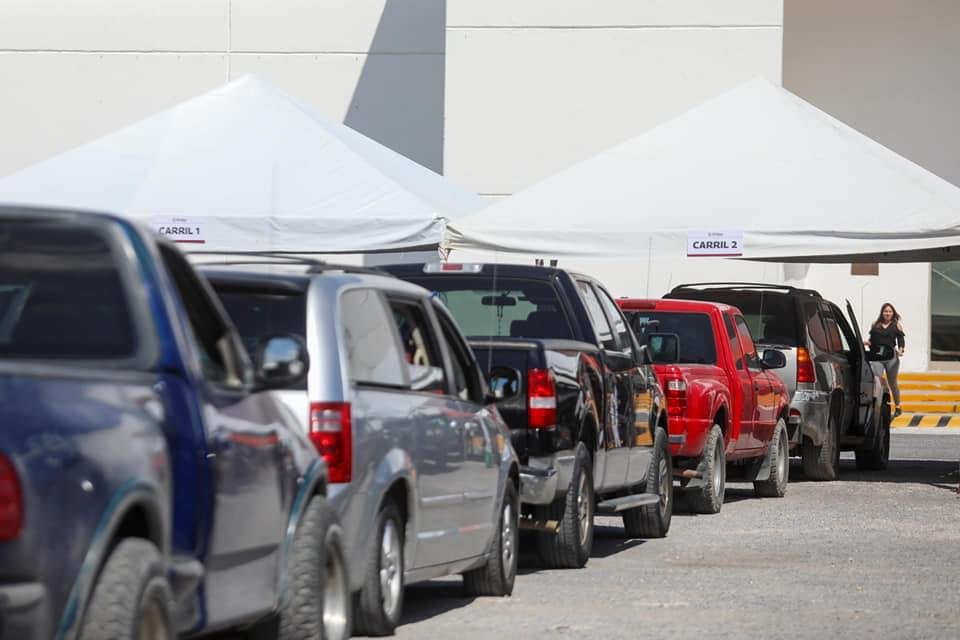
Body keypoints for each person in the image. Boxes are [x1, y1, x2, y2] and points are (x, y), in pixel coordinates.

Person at [866, 302, 906, 417]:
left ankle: (898, 406)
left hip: (891, 357)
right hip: (877, 357)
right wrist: (868, 343)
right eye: (885, 311)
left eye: (889, 311)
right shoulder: (875, 324)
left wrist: (901, 350)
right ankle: (877, 406)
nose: (887, 313)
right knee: (877, 381)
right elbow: (872, 339)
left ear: (893, 313)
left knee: (892, 382)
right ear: (882, 313)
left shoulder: (896, 325)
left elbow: (901, 340)